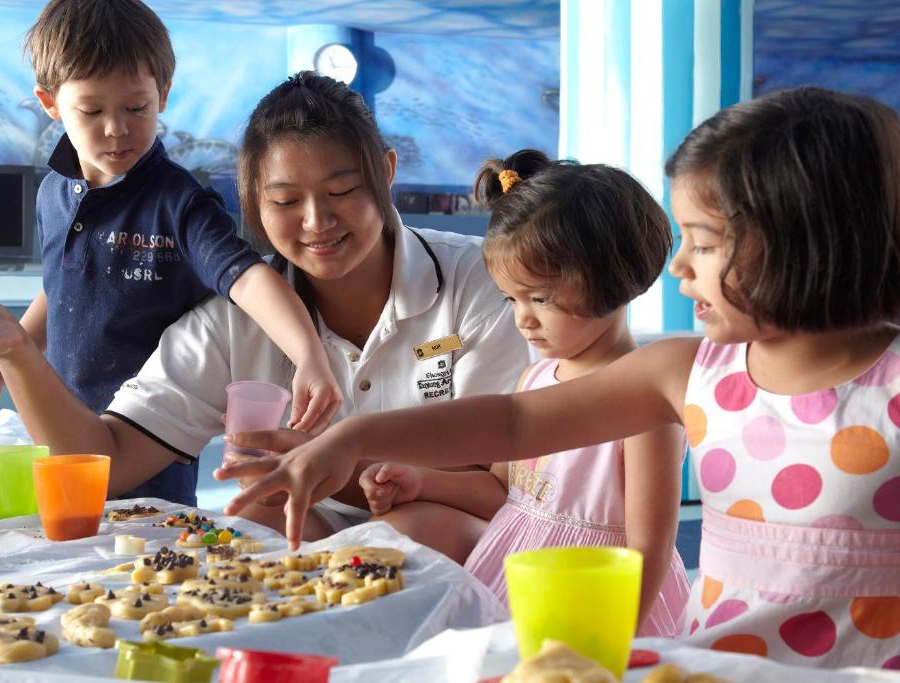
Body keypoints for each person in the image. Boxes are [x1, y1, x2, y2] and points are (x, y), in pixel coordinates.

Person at [219, 87, 900, 668]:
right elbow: (513, 423)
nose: (679, 266)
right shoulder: (686, 371)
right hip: (717, 669)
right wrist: (354, 437)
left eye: (706, 241)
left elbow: (646, 552)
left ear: (805, 236)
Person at [0, 72, 528, 530]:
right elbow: (103, 464)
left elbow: (505, 485)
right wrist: (13, 353)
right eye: (284, 202)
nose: (316, 222)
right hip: (299, 538)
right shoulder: (231, 325)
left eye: (342, 190)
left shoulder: (476, 281)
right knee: (255, 521)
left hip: (447, 527)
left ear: (387, 172)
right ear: (251, 198)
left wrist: (350, 468)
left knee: (416, 528)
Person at [0, 0, 341, 504]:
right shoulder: (52, 193)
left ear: (163, 95)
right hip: (56, 428)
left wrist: (309, 357)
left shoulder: (180, 203)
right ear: (50, 102)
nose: (116, 129)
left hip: (146, 446)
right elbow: (57, 293)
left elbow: (249, 278)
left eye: (136, 108)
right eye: (92, 110)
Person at [359, 152, 689, 636]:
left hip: (595, 602)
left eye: (540, 298)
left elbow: (648, 548)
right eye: (511, 298)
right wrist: (422, 482)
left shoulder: (644, 403)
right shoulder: (533, 380)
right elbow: (505, 493)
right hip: (519, 577)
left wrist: (611, 648)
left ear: (612, 276)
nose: (523, 318)